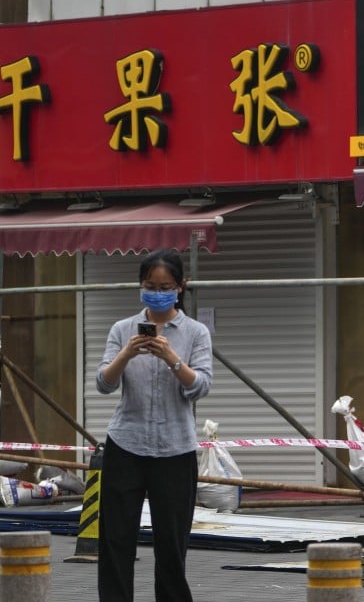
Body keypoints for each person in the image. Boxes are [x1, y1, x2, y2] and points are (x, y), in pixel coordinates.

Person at [96, 249, 213, 601]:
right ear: (140, 286)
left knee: (171, 544)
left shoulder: (195, 333)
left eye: (165, 286)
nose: (157, 292)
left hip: (175, 449)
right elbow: (104, 383)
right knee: (116, 539)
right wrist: (126, 354)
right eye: (150, 285)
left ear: (180, 287)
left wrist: (172, 358)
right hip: (125, 445)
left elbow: (200, 386)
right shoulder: (122, 330)